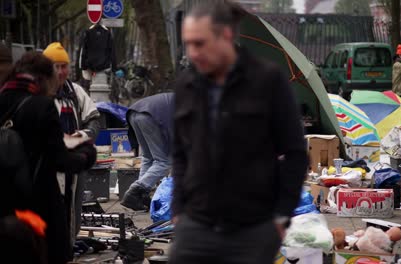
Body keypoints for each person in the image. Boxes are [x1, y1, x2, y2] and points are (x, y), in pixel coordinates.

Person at [169, 1, 308, 263]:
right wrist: (178, 209)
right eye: (188, 44)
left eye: (200, 43)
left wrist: (281, 216)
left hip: (252, 230)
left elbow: (296, 154)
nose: (192, 52)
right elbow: (179, 154)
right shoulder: (186, 85)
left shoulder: (268, 80)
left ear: (226, 35)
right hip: (195, 226)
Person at [0, 52, 97, 264]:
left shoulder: (3, 98)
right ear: (43, 78)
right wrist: (87, 155)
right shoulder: (42, 106)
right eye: (56, 70)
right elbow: (59, 160)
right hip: (39, 208)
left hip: (6, 207)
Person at [43, 42, 101, 249]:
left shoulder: (75, 92)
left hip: (73, 165)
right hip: (47, 166)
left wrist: (82, 135)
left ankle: (69, 247)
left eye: (63, 66)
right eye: (55, 66)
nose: (60, 71)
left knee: (73, 211)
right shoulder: (38, 94)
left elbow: (94, 119)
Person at [121, 92, 174, 211]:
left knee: (148, 157)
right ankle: (134, 192)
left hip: (134, 112)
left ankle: (141, 196)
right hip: (150, 115)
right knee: (164, 161)